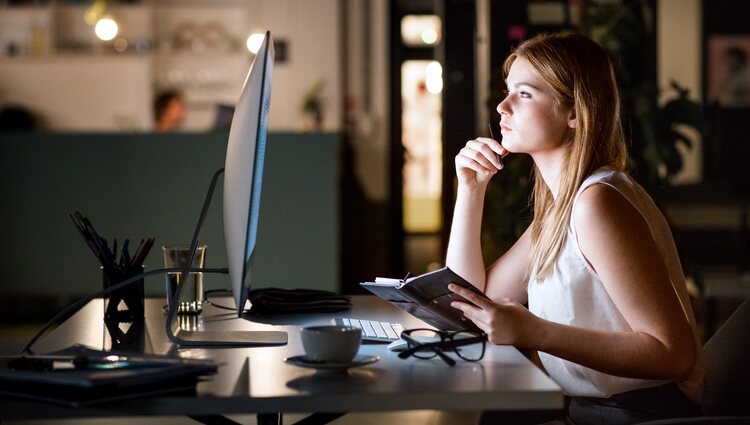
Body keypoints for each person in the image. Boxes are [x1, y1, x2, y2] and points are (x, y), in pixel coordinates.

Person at [445, 33, 704, 425]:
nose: (502, 106)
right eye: (507, 91)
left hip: (644, 416)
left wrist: (537, 333)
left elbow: (673, 353)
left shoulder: (597, 203)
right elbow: (467, 302)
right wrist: (471, 191)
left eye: (524, 94)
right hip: (594, 413)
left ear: (575, 113)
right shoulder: (560, 208)